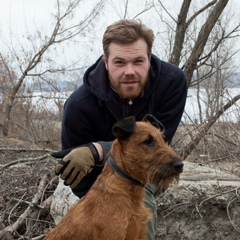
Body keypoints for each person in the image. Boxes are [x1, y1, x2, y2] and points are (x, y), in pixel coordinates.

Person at [52, 19, 187, 239]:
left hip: (147, 167)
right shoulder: (79, 106)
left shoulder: (171, 82)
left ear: (149, 59)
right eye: (119, 62)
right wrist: (106, 213)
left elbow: (160, 148)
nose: (129, 71)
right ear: (106, 62)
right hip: (97, 179)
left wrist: (97, 149)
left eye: (138, 61)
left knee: (141, 202)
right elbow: (77, 177)